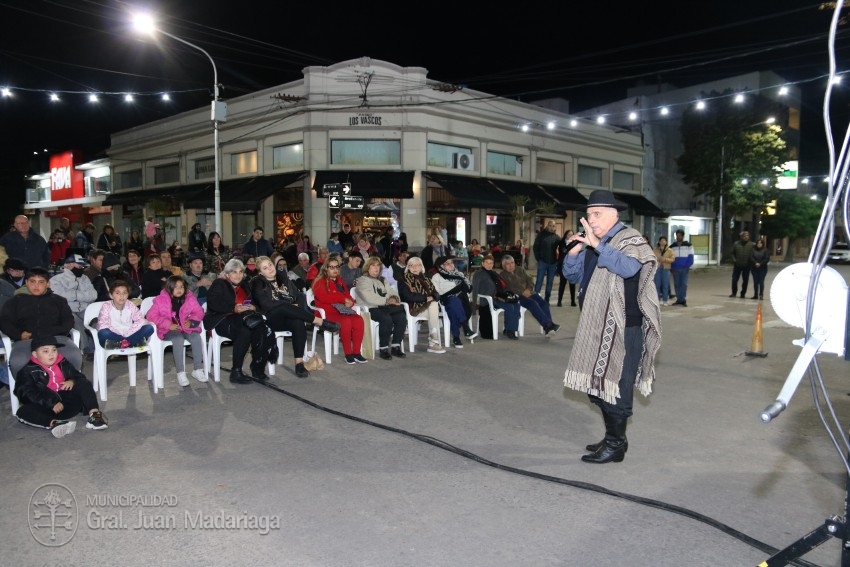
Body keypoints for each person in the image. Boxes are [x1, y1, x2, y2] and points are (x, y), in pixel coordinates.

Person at [561, 190, 662, 464]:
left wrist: (598, 245)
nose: (590, 220)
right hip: (597, 325)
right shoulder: (596, 242)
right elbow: (572, 275)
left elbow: (630, 268)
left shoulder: (630, 239)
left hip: (625, 325)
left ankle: (616, 446)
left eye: (597, 214)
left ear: (614, 214)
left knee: (616, 385)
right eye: (589, 214)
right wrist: (575, 251)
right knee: (598, 384)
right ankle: (612, 438)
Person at [251, 256, 340, 378]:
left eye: (270, 265)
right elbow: (266, 305)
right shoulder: (258, 283)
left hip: (288, 316)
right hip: (270, 318)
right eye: (265, 268)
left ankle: (299, 364)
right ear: (260, 272)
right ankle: (320, 322)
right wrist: (288, 304)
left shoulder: (282, 278)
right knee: (283, 307)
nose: (270, 269)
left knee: (298, 321)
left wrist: (295, 304)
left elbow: (298, 295)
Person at [14, 334, 107, 438]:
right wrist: (50, 402)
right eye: (45, 351)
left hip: (70, 403)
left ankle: (94, 415)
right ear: (35, 354)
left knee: (83, 383)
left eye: (54, 350)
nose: (51, 354)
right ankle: (55, 424)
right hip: (50, 409)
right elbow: (25, 392)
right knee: (22, 411)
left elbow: (79, 376)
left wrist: (72, 381)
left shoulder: (62, 362)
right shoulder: (27, 371)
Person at [204, 258, 277, 383]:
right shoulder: (219, 283)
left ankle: (257, 367)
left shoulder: (245, 285)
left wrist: (254, 307)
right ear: (227, 274)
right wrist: (233, 308)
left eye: (240, 272)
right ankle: (236, 371)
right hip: (222, 320)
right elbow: (213, 304)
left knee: (260, 328)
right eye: (234, 272)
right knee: (248, 328)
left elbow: (256, 302)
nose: (238, 275)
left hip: (244, 319)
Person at [0, 267, 80, 376]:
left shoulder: (59, 301)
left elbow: (68, 321)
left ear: (48, 284)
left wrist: (53, 332)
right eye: (32, 282)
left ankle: (65, 388)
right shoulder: (15, 301)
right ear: (27, 282)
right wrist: (19, 335)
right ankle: (30, 391)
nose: (36, 286)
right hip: (26, 340)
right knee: (18, 361)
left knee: (73, 355)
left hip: (56, 340)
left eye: (41, 282)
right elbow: (5, 322)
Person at [146, 275, 208, 387]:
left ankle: (198, 369)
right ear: (169, 288)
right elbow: (150, 316)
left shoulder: (190, 298)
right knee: (178, 339)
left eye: (181, 287)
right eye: (175, 287)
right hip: (168, 330)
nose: (179, 289)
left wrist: (192, 321)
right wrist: (167, 324)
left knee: (196, 338)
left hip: (186, 327)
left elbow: (199, 312)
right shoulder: (161, 300)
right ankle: (180, 372)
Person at [311, 256, 367, 364]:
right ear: (325, 268)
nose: (335, 270)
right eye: (331, 267)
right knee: (345, 322)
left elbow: (347, 296)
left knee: (359, 320)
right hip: (326, 313)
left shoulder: (340, 281)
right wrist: (343, 299)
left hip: (342, 311)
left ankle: (356, 352)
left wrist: (350, 302)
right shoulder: (319, 281)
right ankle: (348, 354)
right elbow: (325, 297)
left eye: (337, 267)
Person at [355, 256, 407, 360]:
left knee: (401, 316)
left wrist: (394, 298)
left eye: (378, 266)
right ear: (367, 267)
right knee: (386, 318)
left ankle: (395, 346)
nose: (376, 268)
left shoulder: (382, 280)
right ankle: (383, 348)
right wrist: (387, 301)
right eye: (373, 265)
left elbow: (391, 291)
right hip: (370, 308)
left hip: (384, 307)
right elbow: (369, 297)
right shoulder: (362, 280)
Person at [500, 254, 560, 335]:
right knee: (533, 303)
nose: (511, 265)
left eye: (512, 263)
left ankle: (548, 327)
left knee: (544, 303)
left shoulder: (520, 269)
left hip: (529, 292)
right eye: (508, 264)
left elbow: (529, 280)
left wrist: (528, 289)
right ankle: (548, 325)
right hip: (517, 296)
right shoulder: (502, 275)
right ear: (504, 266)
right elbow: (509, 288)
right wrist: (522, 292)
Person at [50, 254, 98, 354]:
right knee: (74, 321)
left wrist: (73, 295)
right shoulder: (56, 279)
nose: (82, 268)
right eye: (79, 266)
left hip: (85, 308)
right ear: (69, 265)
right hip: (67, 309)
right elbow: (59, 297)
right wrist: (81, 295)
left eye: (82, 266)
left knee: (97, 320)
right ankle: (85, 349)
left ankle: (100, 347)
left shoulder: (84, 278)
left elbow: (93, 295)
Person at [399, 255, 446, 353]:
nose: (415, 268)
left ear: (422, 267)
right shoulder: (404, 280)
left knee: (433, 304)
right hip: (413, 309)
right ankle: (433, 340)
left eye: (418, 265)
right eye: (412, 265)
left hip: (427, 309)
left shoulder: (426, 279)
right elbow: (408, 296)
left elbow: (436, 294)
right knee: (433, 307)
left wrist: (432, 297)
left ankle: (433, 339)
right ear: (408, 267)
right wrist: (426, 298)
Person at [470, 254, 520, 339]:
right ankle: (510, 331)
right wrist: (474, 306)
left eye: (491, 263)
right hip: (489, 300)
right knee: (510, 307)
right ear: (482, 263)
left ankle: (510, 329)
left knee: (516, 304)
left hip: (499, 297)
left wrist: (509, 293)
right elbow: (475, 289)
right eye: (487, 263)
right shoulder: (478, 274)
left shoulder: (494, 273)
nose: (489, 265)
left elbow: (503, 285)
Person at [430, 256, 476, 348]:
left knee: (453, 306)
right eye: (447, 263)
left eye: (451, 262)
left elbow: (468, 288)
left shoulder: (459, 274)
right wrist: (453, 292)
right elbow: (438, 293)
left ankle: (456, 337)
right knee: (453, 302)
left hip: (461, 300)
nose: (451, 265)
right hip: (446, 299)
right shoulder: (437, 277)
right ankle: (465, 328)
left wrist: (456, 292)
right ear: (441, 266)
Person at [96, 280, 155, 349]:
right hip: (113, 334)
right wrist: (120, 336)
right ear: (111, 295)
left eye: (125, 293)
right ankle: (132, 343)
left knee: (149, 328)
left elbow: (141, 320)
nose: (122, 296)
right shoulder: (106, 306)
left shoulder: (130, 305)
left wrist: (127, 334)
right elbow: (103, 324)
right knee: (103, 333)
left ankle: (120, 344)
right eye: (118, 293)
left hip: (129, 333)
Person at [533, 220, 560, 303]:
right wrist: (539, 258)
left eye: (553, 226)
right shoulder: (541, 235)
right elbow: (535, 247)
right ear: (547, 226)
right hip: (543, 262)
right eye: (550, 225)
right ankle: (536, 299)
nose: (551, 227)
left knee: (550, 282)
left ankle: (547, 299)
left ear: (555, 227)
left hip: (552, 263)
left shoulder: (556, 237)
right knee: (539, 280)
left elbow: (562, 248)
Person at [669, 229, 694, 307]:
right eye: (677, 235)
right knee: (676, 284)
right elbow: (670, 257)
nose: (678, 237)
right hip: (675, 268)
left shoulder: (688, 245)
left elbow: (691, 257)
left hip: (684, 268)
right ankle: (678, 299)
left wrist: (687, 266)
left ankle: (683, 299)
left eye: (679, 235)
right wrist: (671, 268)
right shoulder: (672, 246)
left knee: (683, 284)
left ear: (683, 236)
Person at [730, 230, 754, 298]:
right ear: (741, 237)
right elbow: (732, 253)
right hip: (737, 265)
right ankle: (734, 292)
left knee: (745, 280)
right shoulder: (736, 244)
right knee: (734, 279)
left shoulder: (751, 244)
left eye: (747, 236)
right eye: (744, 236)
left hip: (747, 265)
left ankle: (743, 293)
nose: (746, 237)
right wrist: (734, 260)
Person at [556, 229, 577, 307]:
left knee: (572, 284)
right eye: (569, 235)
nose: (570, 236)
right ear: (566, 235)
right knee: (562, 283)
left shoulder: (575, 242)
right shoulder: (562, 242)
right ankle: (559, 301)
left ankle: (573, 301)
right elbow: (564, 250)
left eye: (572, 235)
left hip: (572, 265)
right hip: (563, 265)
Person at [653, 236, 675, 306]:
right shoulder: (655, 250)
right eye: (661, 241)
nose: (663, 242)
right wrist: (658, 259)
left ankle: (665, 300)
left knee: (665, 285)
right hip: (658, 269)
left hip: (666, 269)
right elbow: (652, 257)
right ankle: (658, 300)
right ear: (659, 242)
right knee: (657, 285)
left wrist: (665, 260)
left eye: (664, 241)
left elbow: (672, 259)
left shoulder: (669, 250)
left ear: (666, 242)